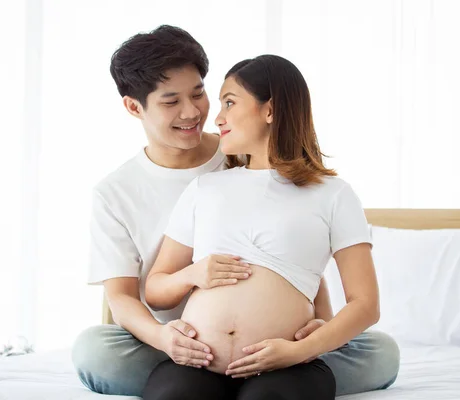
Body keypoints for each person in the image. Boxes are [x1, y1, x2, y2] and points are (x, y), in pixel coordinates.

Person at [71, 25, 400, 398]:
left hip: (282, 348)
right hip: (175, 343)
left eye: (201, 94)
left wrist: (314, 334)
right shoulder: (140, 191)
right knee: (96, 351)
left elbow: (298, 262)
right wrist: (170, 330)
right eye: (170, 101)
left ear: (269, 111)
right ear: (135, 106)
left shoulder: (263, 166)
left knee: (380, 351)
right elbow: (129, 297)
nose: (196, 113)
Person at [142, 54, 377, 400]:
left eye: (230, 103)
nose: (217, 118)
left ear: (271, 110)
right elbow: (156, 290)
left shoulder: (333, 194)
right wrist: (193, 274)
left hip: (288, 367)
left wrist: (303, 349)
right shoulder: (206, 188)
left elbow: (366, 304)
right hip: (197, 365)